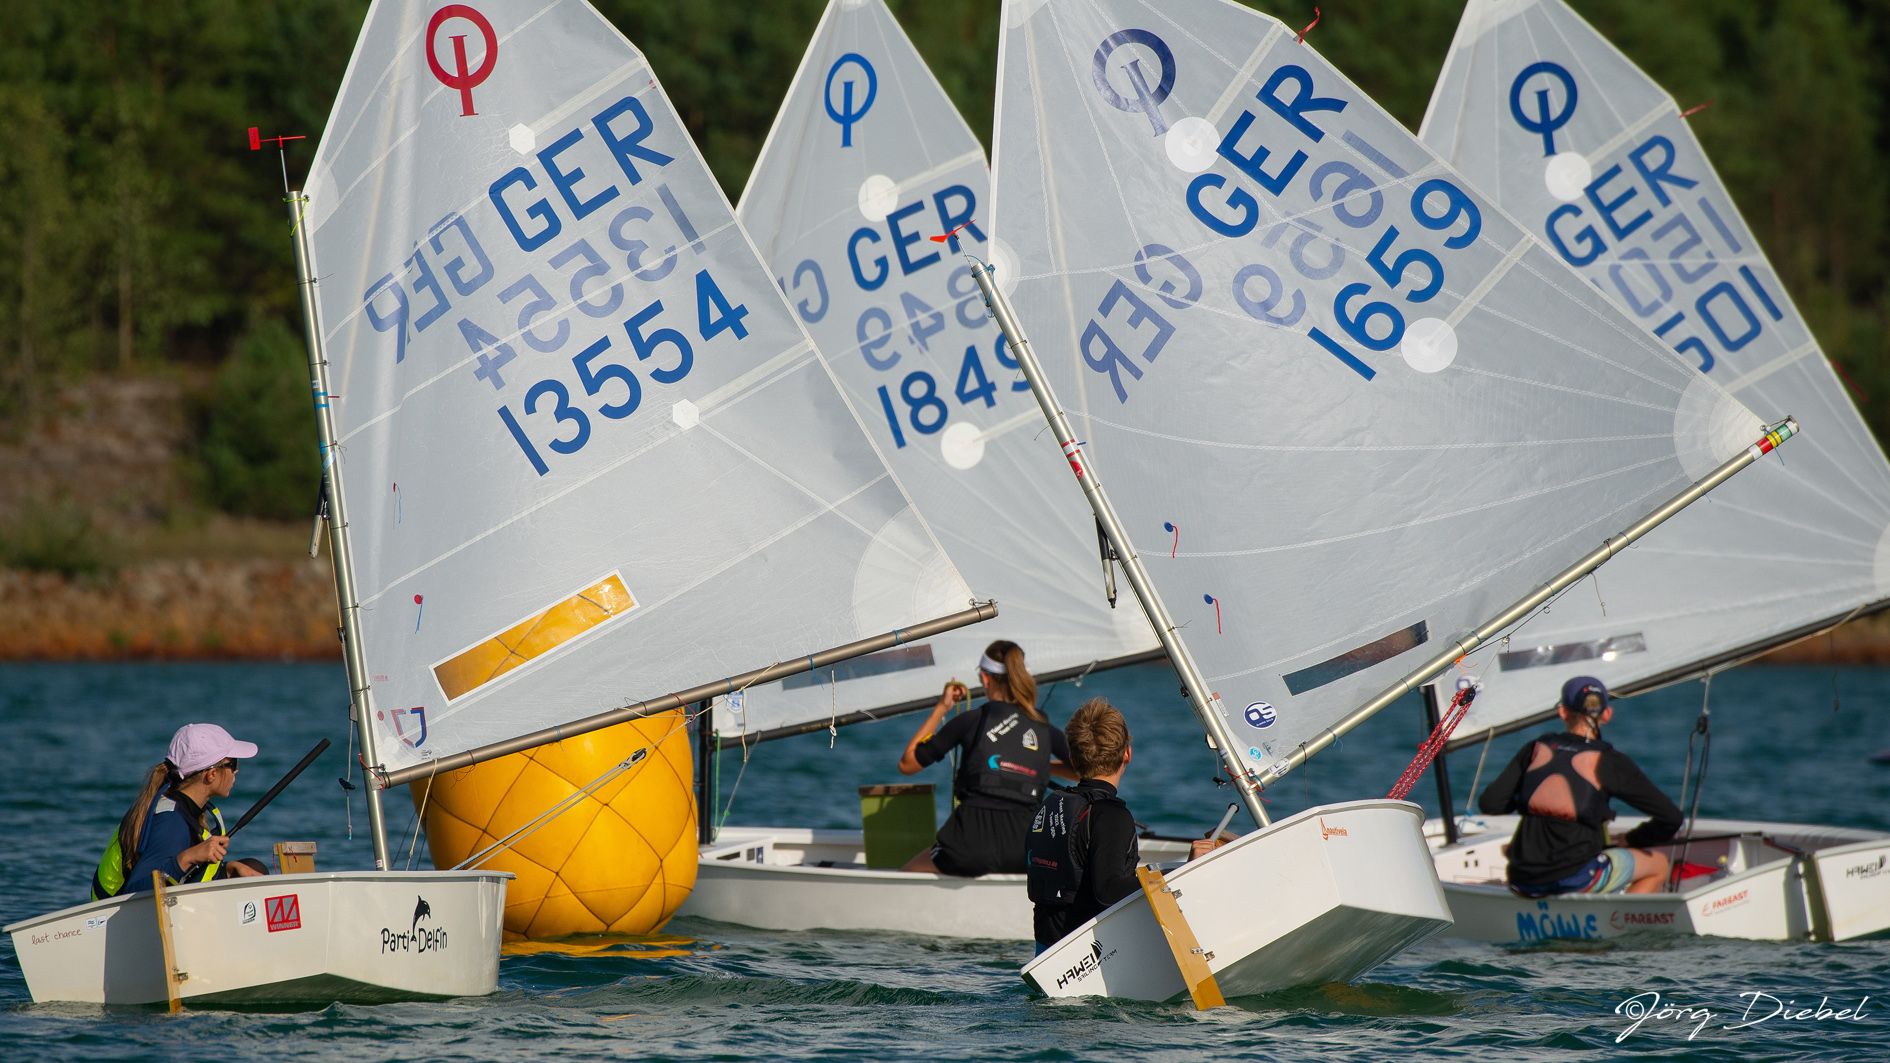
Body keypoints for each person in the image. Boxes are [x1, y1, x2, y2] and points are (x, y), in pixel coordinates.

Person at [1477, 676, 1682, 896]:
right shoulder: (1609, 760)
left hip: (1523, 879)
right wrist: (1633, 839)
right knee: (1659, 864)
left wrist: (1531, 802)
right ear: (1607, 714)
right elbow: (1671, 818)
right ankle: (1615, 917)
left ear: (1563, 712)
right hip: (1577, 878)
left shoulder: (1536, 748)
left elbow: (1490, 803)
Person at [897, 640, 1075, 875]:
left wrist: (942, 707)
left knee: (906, 873)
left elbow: (907, 764)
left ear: (985, 678)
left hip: (969, 846)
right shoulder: (1044, 728)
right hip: (1024, 851)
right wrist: (1034, 766)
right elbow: (1082, 771)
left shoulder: (971, 720)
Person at [91, 723, 269, 899]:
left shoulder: (184, 806)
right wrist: (187, 858)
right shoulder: (171, 822)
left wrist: (227, 870)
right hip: (116, 913)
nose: (236, 770)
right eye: (233, 764)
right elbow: (135, 892)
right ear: (212, 774)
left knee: (253, 869)